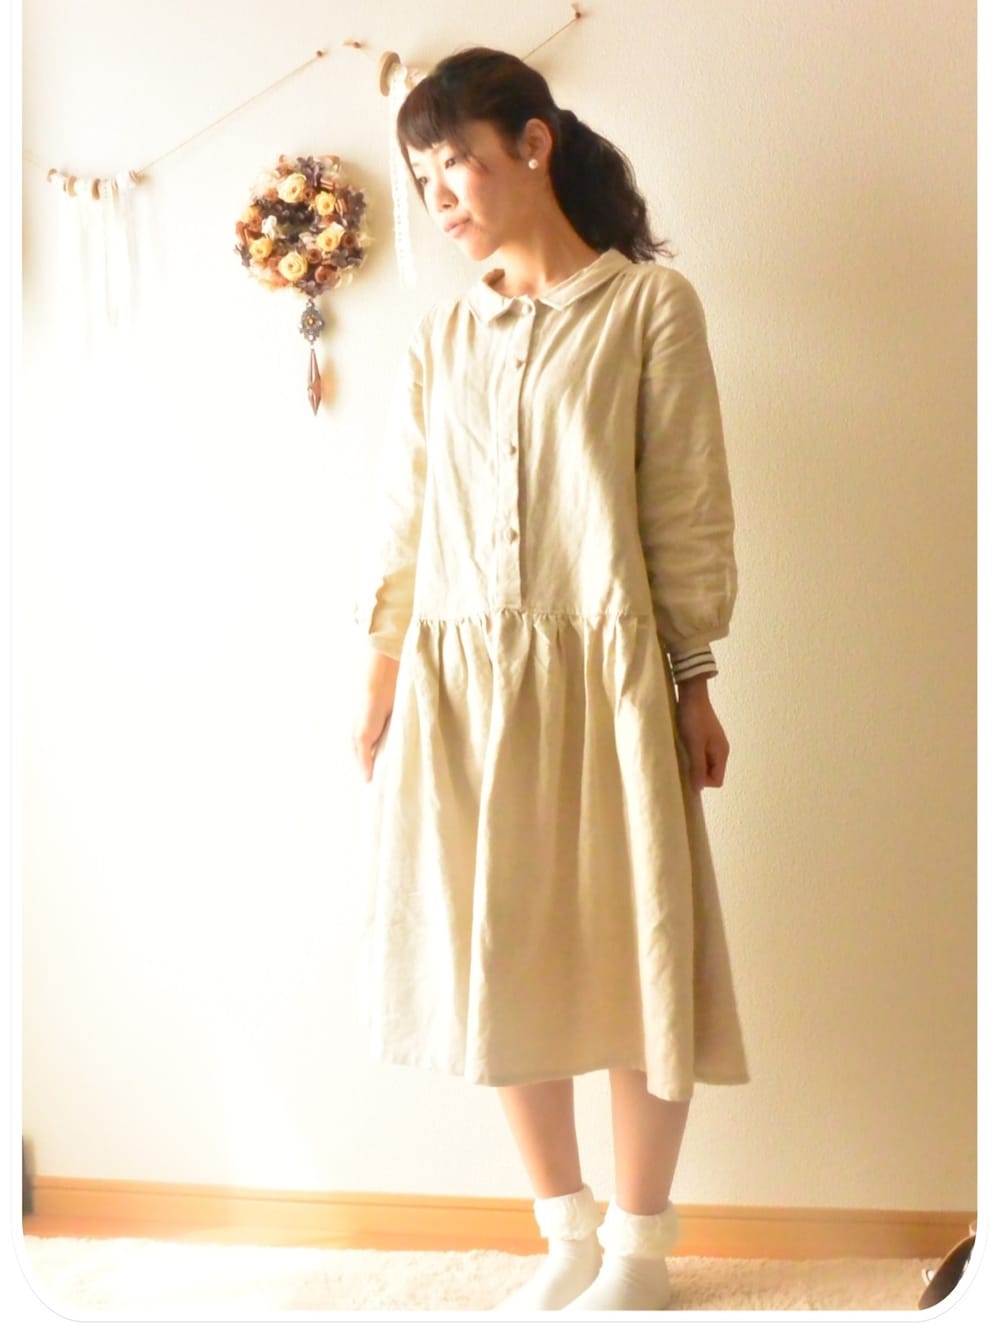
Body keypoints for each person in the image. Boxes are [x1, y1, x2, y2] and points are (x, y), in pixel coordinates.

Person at [350, 45, 749, 1312]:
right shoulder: (441, 335)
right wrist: (382, 676)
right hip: (459, 684)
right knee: (499, 954)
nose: (439, 196)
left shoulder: (648, 308)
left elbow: (683, 504)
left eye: (455, 163)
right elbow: (407, 520)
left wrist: (692, 676)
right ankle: (562, 1233)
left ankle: (639, 1247)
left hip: (608, 674)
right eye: (422, 176)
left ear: (532, 145)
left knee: (639, 949)